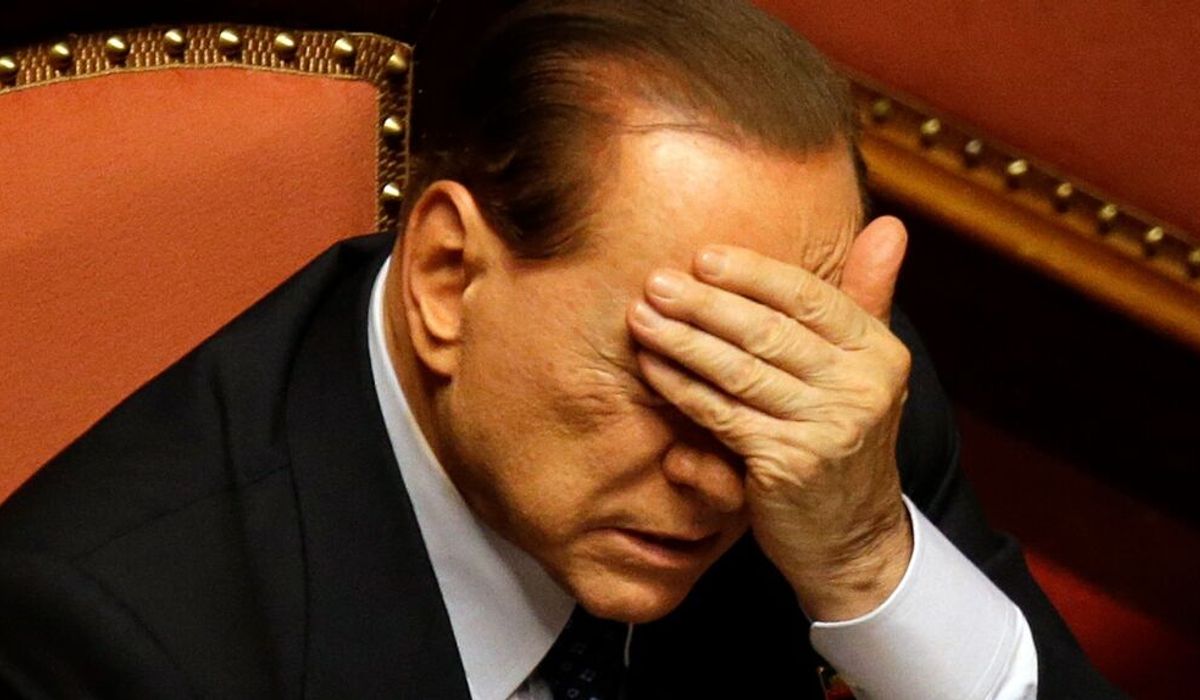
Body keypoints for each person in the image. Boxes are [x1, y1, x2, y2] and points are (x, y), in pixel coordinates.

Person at [0, 1, 1119, 697]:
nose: (720, 475)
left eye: (757, 379)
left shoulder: (820, 425)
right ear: (448, 277)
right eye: (670, 375)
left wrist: (869, 559)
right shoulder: (110, 637)